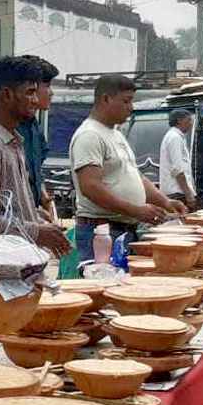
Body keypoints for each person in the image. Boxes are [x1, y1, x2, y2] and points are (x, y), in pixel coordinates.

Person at [69, 74, 187, 263]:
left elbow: (136, 177)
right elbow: (90, 186)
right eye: (126, 101)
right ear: (105, 99)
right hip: (101, 232)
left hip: (121, 230)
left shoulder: (115, 133)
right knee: (103, 285)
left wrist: (165, 202)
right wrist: (136, 210)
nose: (131, 108)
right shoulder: (90, 135)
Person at [0, 56, 71, 255]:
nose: (36, 100)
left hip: (21, 269)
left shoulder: (15, 143)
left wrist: (37, 219)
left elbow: (8, 209)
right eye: (30, 93)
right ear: (6, 95)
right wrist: (36, 231)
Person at [15, 55, 58, 216]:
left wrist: (44, 197)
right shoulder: (12, 129)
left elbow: (35, 171)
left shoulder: (35, 127)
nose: (51, 93)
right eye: (46, 85)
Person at [158, 109, 196, 210]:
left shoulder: (176, 137)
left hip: (178, 192)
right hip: (177, 193)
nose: (191, 123)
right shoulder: (175, 138)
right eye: (188, 120)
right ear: (179, 121)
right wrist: (188, 194)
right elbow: (178, 170)